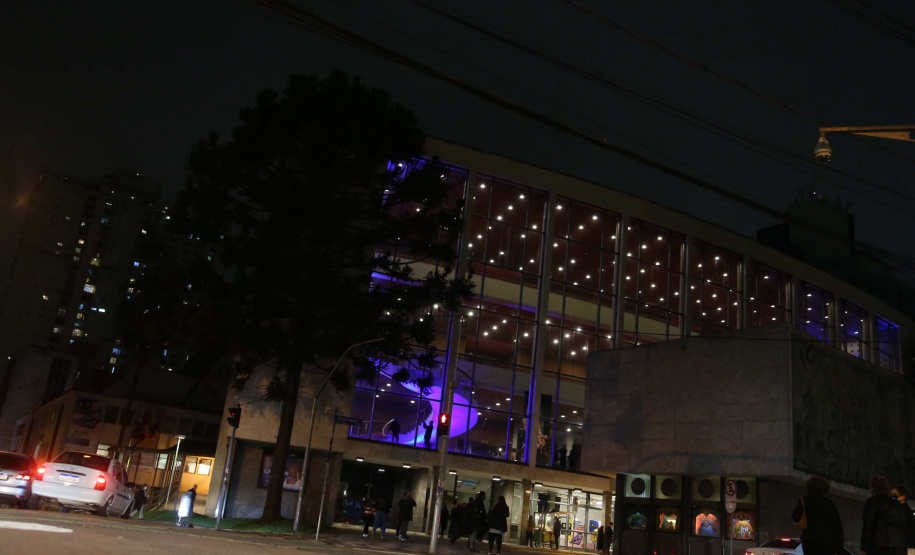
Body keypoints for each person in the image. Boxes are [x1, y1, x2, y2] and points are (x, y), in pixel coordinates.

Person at [791, 476, 844, 555]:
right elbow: (836, 526)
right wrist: (838, 548)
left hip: (808, 540)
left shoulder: (804, 500)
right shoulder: (828, 504)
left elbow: (796, 516)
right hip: (825, 541)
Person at [862, 476, 908, 555]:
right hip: (897, 546)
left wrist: (865, 547)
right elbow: (903, 526)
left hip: (878, 546)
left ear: (872, 488)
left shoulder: (872, 503)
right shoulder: (896, 504)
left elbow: (868, 525)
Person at [890, 485, 915, 555]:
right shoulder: (902, 509)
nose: (892, 496)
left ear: (903, 497)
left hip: (903, 548)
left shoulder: (903, 511)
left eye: (895, 494)